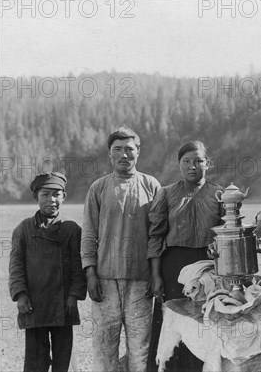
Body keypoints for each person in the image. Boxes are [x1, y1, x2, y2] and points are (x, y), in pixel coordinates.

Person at [81, 126, 161, 372]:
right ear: (109, 154)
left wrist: (154, 274)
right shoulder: (98, 188)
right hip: (104, 281)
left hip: (140, 281)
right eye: (118, 149)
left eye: (129, 149)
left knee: (141, 349)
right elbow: (89, 234)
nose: (124, 155)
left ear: (138, 152)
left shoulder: (152, 185)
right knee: (105, 348)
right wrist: (90, 273)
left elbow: (158, 235)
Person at [146, 141, 224, 371]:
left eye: (199, 161)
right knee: (172, 321)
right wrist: (155, 275)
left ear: (207, 164)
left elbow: (227, 233)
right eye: (187, 161)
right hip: (173, 267)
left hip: (207, 267)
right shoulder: (166, 194)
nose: (193, 166)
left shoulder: (219, 194)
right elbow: (155, 237)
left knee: (204, 321)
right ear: (179, 164)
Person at [9, 172, 87, 372]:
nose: (51, 200)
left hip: (63, 304)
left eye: (56, 194)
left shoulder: (71, 229)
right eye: (45, 194)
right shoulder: (23, 229)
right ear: (36, 197)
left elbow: (79, 266)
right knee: (35, 359)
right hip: (34, 304)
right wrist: (20, 294)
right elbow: (16, 265)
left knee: (64, 358)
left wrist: (74, 295)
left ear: (64, 197)